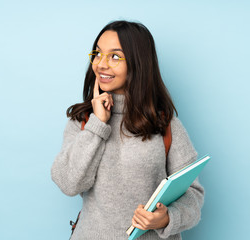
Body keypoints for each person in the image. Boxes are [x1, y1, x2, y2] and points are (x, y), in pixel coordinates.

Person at [51, 20, 205, 240]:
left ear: (138, 62)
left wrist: (168, 218)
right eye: (98, 54)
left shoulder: (165, 124)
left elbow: (193, 195)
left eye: (115, 56)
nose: (101, 64)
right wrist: (97, 125)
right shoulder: (83, 120)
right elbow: (68, 183)